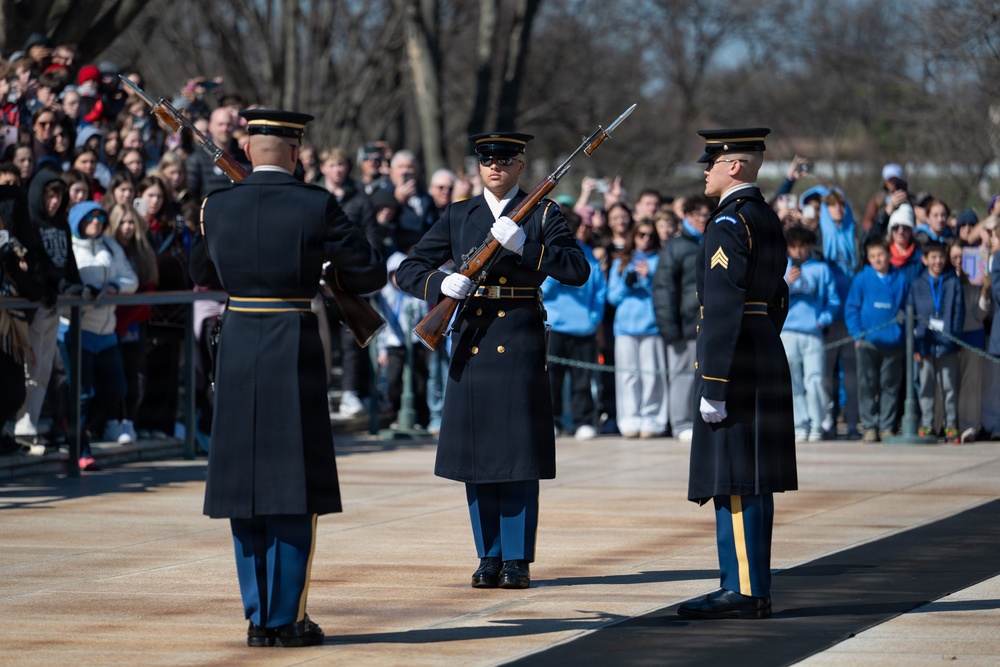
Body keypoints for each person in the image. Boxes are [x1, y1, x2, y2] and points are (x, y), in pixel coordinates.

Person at [189, 109, 384, 647]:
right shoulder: (314, 203)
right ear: (295, 151)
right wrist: (319, 264)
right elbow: (367, 269)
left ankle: (257, 618)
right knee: (294, 487)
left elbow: (200, 273)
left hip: (236, 349)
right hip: (291, 345)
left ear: (249, 150)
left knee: (243, 488)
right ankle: (288, 617)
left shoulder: (217, 205)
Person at [394, 131, 589, 590]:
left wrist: (527, 246)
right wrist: (440, 286)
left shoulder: (543, 212)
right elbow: (408, 268)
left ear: (521, 165)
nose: (495, 167)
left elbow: (577, 269)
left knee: (518, 456)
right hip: (472, 339)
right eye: (487, 160)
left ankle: (517, 558)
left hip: (518, 339)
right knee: (477, 456)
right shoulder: (460, 213)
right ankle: (488, 555)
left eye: (505, 160)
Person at [677, 128, 795, 621]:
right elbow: (778, 294)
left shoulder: (728, 223)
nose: (705, 168)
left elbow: (722, 308)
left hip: (737, 365)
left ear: (737, 167)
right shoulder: (763, 217)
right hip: (761, 349)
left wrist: (716, 384)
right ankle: (744, 581)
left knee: (739, 478)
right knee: (748, 477)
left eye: (713, 160)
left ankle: (745, 589)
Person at [66, 201, 138, 469]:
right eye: (89, 217)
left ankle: (79, 428)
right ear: (77, 220)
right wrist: (87, 292)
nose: (96, 221)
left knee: (116, 389)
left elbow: (132, 280)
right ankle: (80, 448)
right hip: (79, 327)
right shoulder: (71, 247)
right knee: (82, 393)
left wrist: (114, 287)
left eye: (100, 216)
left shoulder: (110, 245)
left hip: (106, 329)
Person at [542, 209, 607, 440]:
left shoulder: (588, 253)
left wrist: (593, 319)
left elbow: (599, 290)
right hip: (555, 326)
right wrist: (559, 273)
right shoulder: (549, 252)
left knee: (583, 379)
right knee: (551, 379)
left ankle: (583, 421)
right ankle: (553, 420)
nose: (578, 231)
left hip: (583, 328)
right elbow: (543, 290)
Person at [652, 194, 710, 442]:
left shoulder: (712, 241)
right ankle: (682, 422)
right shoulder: (676, 247)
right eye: (697, 215)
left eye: (706, 215)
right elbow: (664, 289)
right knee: (683, 376)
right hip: (684, 325)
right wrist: (670, 328)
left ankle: (700, 419)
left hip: (708, 322)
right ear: (686, 216)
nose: (702, 220)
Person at [844, 236, 909, 441]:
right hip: (868, 343)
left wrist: (902, 327)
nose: (877, 259)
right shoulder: (862, 279)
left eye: (880, 255)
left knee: (890, 385)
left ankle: (887, 426)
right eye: (873, 256)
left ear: (889, 254)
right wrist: (858, 335)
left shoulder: (901, 279)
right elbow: (852, 308)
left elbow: (908, 309)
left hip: (894, 343)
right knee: (867, 384)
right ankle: (870, 426)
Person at [607, 219, 666, 438]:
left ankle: (652, 419)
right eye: (641, 234)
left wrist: (649, 277)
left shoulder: (660, 259)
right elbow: (612, 297)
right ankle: (629, 419)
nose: (645, 239)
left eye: (650, 235)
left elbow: (663, 295)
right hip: (624, 327)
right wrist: (626, 280)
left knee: (651, 376)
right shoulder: (620, 261)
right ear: (634, 236)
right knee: (627, 376)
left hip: (651, 326)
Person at [779, 225, 839, 442]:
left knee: (814, 380)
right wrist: (786, 283)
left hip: (813, 333)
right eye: (794, 247)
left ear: (810, 246)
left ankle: (817, 423)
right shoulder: (780, 268)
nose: (798, 252)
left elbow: (833, 301)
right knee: (792, 381)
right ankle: (799, 423)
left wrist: (822, 321)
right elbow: (771, 297)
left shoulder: (821, 269)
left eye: (802, 247)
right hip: (786, 332)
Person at [909, 241, 964, 441]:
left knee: (949, 387)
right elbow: (911, 315)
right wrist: (916, 345)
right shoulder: (916, 284)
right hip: (925, 345)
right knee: (926, 387)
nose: (937, 261)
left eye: (940, 256)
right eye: (933, 257)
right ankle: (927, 424)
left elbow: (958, 314)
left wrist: (952, 339)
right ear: (925, 259)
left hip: (947, 345)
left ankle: (951, 425)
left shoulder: (952, 282)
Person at [948, 241, 989, 442]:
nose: (958, 262)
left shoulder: (976, 282)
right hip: (948, 337)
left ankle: (969, 427)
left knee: (970, 385)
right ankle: (947, 425)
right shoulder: (945, 281)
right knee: (948, 384)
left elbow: (981, 314)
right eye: (954, 258)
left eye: (962, 259)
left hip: (972, 335)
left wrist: (984, 292)